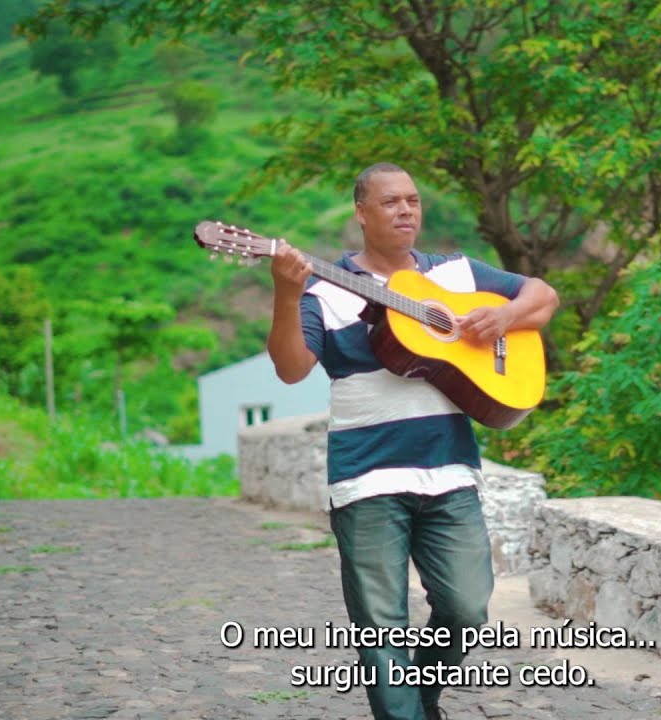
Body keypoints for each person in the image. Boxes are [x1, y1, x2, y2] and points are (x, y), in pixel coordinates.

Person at [266, 162, 560, 720]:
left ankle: (420, 698)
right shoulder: (324, 291)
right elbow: (290, 368)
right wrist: (286, 292)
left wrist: (504, 317)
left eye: (413, 200)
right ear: (361, 213)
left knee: (468, 605)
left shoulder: (454, 274)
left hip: (449, 470)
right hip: (366, 475)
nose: (406, 210)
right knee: (381, 622)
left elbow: (543, 296)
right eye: (390, 202)